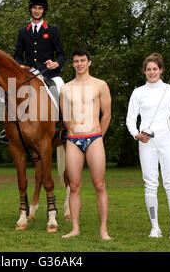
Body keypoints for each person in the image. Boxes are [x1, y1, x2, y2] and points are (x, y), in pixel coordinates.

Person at [126, 53, 170, 240]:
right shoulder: (138, 92)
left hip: (167, 141)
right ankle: (155, 228)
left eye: (155, 69)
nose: (152, 72)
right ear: (144, 71)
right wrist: (136, 134)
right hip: (146, 143)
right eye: (148, 69)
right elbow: (130, 119)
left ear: (161, 70)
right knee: (150, 185)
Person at [0, 0, 66, 142]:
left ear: (44, 11)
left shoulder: (53, 30)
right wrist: (19, 65)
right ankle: (8, 129)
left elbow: (62, 55)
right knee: (11, 91)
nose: (37, 11)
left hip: (49, 74)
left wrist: (56, 64)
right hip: (29, 73)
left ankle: (64, 127)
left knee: (61, 90)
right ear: (31, 9)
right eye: (34, 8)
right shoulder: (23, 32)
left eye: (40, 8)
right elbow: (17, 55)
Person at [60, 49, 111, 240]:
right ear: (72, 64)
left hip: (94, 137)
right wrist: (73, 131)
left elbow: (106, 114)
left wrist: (98, 136)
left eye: (82, 60)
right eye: (76, 61)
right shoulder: (65, 88)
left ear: (89, 62)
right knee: (74, 186)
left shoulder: (100, 85)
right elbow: (65, 116)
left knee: (99, 184)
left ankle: (103, 230)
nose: (79, 64)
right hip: (73, 140)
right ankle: (74, 228)